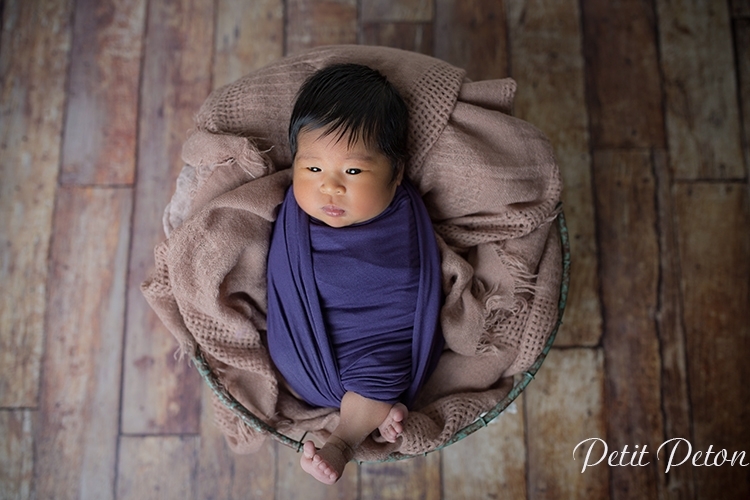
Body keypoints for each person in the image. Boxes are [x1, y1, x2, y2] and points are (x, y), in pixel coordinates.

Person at [265, 63, 444, 484]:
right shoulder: (293, 212)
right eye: (312, 169)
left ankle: (345, 439)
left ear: (397, 174)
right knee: (375, 385)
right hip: (308, 354)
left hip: (377, 342)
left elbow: (407, 290)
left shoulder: (402, 218)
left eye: (353, 171)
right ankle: (376, 410)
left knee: (380, 373)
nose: (330, 188)